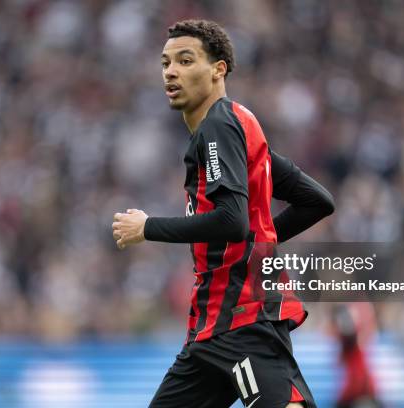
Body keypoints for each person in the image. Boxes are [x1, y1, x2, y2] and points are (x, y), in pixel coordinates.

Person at [112, 19, 334, 408]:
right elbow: (316, 201)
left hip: (242, 321)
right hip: (209, 331)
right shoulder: (242, 127)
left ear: (219, 69)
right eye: (165, 63)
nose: (171, 71)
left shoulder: (219, 124)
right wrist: (257, 244)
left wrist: (148, 228)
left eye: (185, 60)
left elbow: (232, 222)